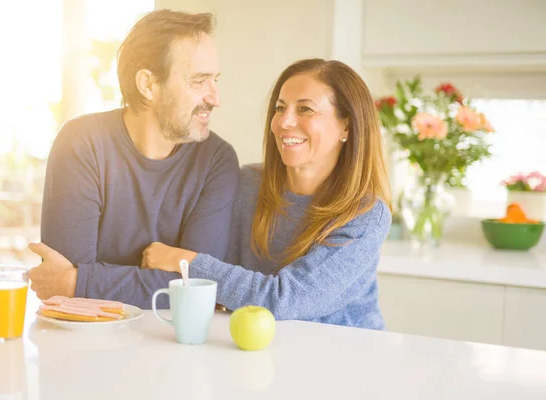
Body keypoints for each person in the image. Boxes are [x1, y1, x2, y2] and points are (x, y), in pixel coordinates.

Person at [141, 58, 392, 329]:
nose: (285, 121)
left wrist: (186, 262)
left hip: (346, 357)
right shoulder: (244, 183)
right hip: (257, 349)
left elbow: (284, 300)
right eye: (280, 108)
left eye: (305, 109)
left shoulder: (365, 216)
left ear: (346, 125)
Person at [27, 10, 239, 309]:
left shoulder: (217, 160)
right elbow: (60, 281)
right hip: (82, 338)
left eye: (215, 79)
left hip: (174, 344)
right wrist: (162, 279)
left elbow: (200, 288)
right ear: (148, 85)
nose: (215, 98)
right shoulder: (82, 143)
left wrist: (80, 281)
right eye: (199, 80)